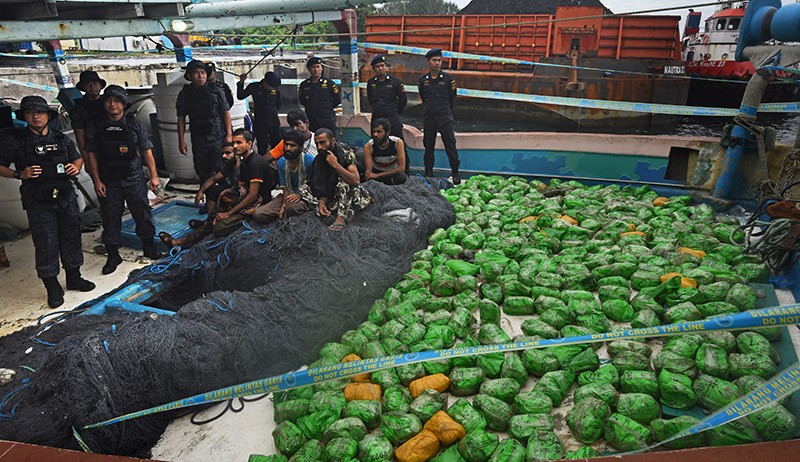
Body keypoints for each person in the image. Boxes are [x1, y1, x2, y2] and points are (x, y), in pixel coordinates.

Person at [0, 96, 95, 307]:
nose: (36, 116)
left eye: (40, 112)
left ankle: (74, 277)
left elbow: (77, 157)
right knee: (46, 242)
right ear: (24, 116)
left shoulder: (60, 138)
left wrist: (76, 167)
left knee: (71, 236)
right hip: (38, 201)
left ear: (47, 116)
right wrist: (19, 174)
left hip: (65, 197)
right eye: (31, 113)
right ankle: (52, 286)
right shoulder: (15, 140)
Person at [85, 85, 162, 274]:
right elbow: (92, 155)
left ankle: (149, 247)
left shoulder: (133, 124)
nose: (113, 104)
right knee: (111, 218)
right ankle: (113, 255)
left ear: (123, 104)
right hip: (108, 179)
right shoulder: (96, 127)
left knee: (142, 213)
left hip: (133, 177)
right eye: (109, 100)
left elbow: (146, 151)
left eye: (117, 101)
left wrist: (153, 175)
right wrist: (96, 180)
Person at [159, 128, 276, 248]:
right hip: (246, 198)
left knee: (218, 228)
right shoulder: (244, 160)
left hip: (257, 205)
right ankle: (183, 240)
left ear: (249, 144)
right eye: (234, 143)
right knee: (216, 211)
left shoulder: (254, 163)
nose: (235, 146)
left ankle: (182, 242)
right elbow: (229, 184)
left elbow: (253, 195)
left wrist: (229, 213)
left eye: (239, 143)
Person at [300, 128, 371, 231]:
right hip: (333, 198)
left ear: (332, 141)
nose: (319, 147)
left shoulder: (346, 154)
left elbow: (355, 181)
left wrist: (336, 165)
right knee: (304, 189)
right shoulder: (318, 160)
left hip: (352, 196)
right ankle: (325, 210)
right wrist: (322, 202)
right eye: (317, 144)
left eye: (323, 142)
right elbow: (320, 186)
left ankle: (341, 218)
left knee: (345, 182)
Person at [176, 59, 233, 185]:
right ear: (190, 76)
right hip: (198, 138)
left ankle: (225, 199)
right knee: (202, 170)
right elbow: (181, 118)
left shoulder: (217, 91)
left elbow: (226, 113)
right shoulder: (185, 94)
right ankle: (209, 198)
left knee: (222, 169)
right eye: (196, 73)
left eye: (203, 72)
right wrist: (181, 140)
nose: (201, 76)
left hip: (218, 136)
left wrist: (229, 135)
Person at [418, 48, 461, 184]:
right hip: (429, 117)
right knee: (428, 145)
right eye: (434, 60)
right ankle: (428, 172)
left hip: (444, 116)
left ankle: (455, 173)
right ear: (428, 62)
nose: (437, 63)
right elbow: (423, 97)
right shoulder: (422, 80)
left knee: (450, 144)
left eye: (439, 60)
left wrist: (446, 111)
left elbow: (452, 98)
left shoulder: (448, 79)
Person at [253, 129, 314, 223]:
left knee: (290, 208)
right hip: (288, 197)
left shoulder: (310, 161)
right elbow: (285, 187)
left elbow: (315, 185)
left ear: (301, 148)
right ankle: (286, 215)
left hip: (306, 197)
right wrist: (283, 206)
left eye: (292, 145)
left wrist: (300, 194)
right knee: (258, 214)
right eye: (286, 144)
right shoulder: (282, 162)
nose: (288, 148)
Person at [238, 71, 282, 155]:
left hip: (274, 121)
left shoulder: (275, 89)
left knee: (277, 143)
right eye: (271, 86)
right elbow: (241, 95)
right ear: (266, 82)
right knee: (262, 144)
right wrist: (241, 83)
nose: (273, 88)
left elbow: (278, 104)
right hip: (260, 121)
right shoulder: (254, 87)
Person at [367, 55, 407, 141]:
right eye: (377, 66)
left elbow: (403, 100)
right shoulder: (371, 83)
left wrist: (394, 111)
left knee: (398, 141)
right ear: (373, 69)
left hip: (392, 116)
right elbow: (370, 100)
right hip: (377, 116)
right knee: (376, 141)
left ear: (386, 67)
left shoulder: (396, 82)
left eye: (382, 65)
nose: (380, 68)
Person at [70, 70, 107, 159]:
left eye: (95, 83)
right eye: (88, 84)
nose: (92, 86)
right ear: (83, 87)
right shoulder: (78, 109)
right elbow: (80, 136)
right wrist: (86, 159)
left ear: (100, 86)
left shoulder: (108, 103)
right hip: (92, 149)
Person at [298, 56, 340, 132]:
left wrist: (326, 107)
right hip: (312, 119)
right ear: (308, 69)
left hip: (327, 119)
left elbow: (337, 100)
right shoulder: (304, 85)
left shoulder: (329, 84)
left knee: (330, 141)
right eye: (313, 67)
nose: (316, 70)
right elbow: (302, 101)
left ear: (322, 68)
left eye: (318, 67)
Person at [363, 118, 407, 185]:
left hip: (392, 172)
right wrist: (371, 175)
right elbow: (369, 172)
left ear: (387, 133)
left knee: (402, 177)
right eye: (374, 132)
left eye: (379, 132)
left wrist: (378, 175)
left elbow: (401, 168)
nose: (375, 135)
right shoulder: (369, 146)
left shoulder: (397, 143)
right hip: (376, 171)